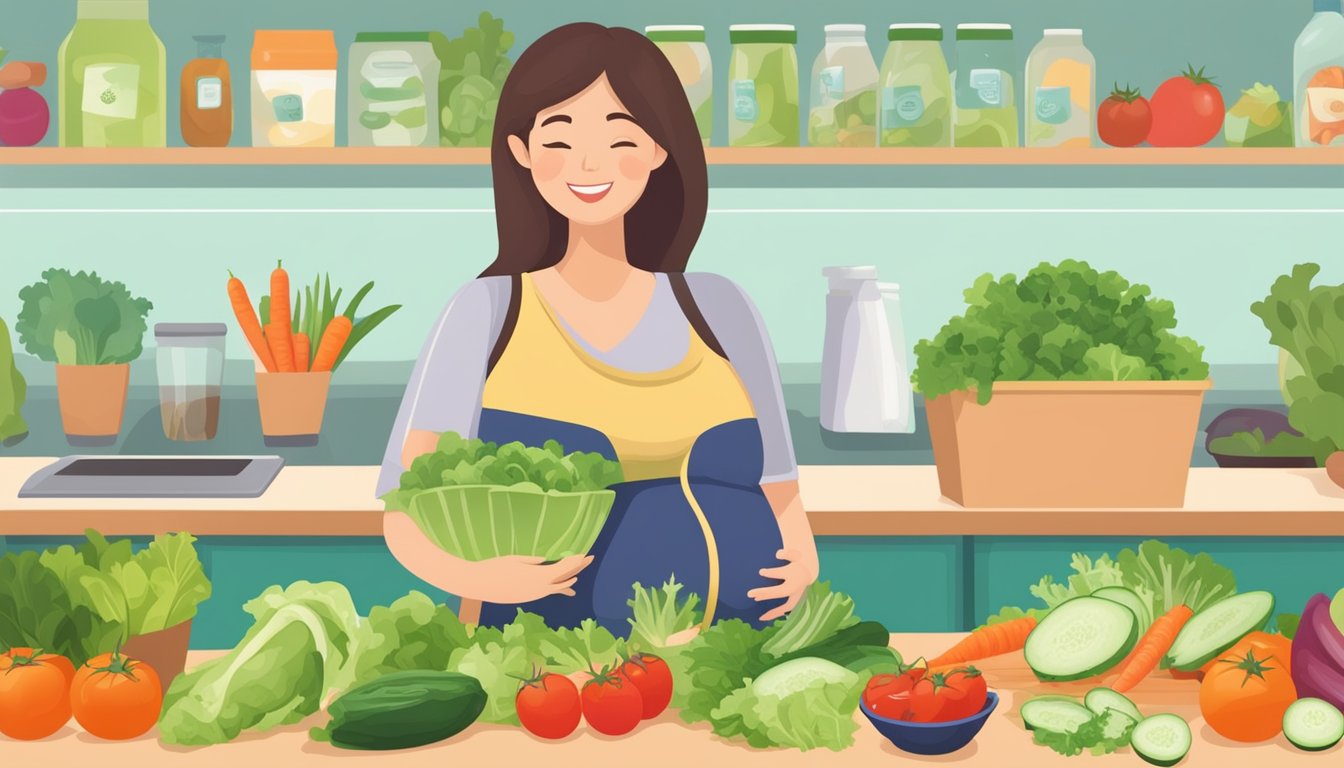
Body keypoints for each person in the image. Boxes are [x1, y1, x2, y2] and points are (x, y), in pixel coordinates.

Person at [377, 23, 817, 633]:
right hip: (549, 683)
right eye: (559, 141)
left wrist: (803, 560)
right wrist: (478, 580)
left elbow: (782, 487)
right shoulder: (485, 313)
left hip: (737, 658)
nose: (589, 164)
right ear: (522, 152)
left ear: (659, 151)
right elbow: (403, 513)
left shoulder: (721, 308)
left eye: (620, 140)